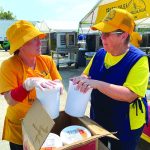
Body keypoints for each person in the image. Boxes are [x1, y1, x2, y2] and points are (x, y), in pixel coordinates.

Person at [72, 8, 149, 150]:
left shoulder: (138, 60)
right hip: (100, 117)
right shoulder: (100, 54)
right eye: (101, 33)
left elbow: (130, 95)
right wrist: (80, 80)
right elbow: (86, 75)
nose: (102, 37)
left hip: (125, 124)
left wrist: (97, 84)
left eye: (107, 33)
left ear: (124, 35)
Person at [0, 20, 63, 150]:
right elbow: (10, 100)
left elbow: (58, 81)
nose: (41, 42)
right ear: (21, 45)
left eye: (39, 38)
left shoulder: (47, 60)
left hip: (42, 123)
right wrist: (26, 85)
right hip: (19, 126)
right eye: (34, 39)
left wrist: (58, 86)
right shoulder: (9, 66)